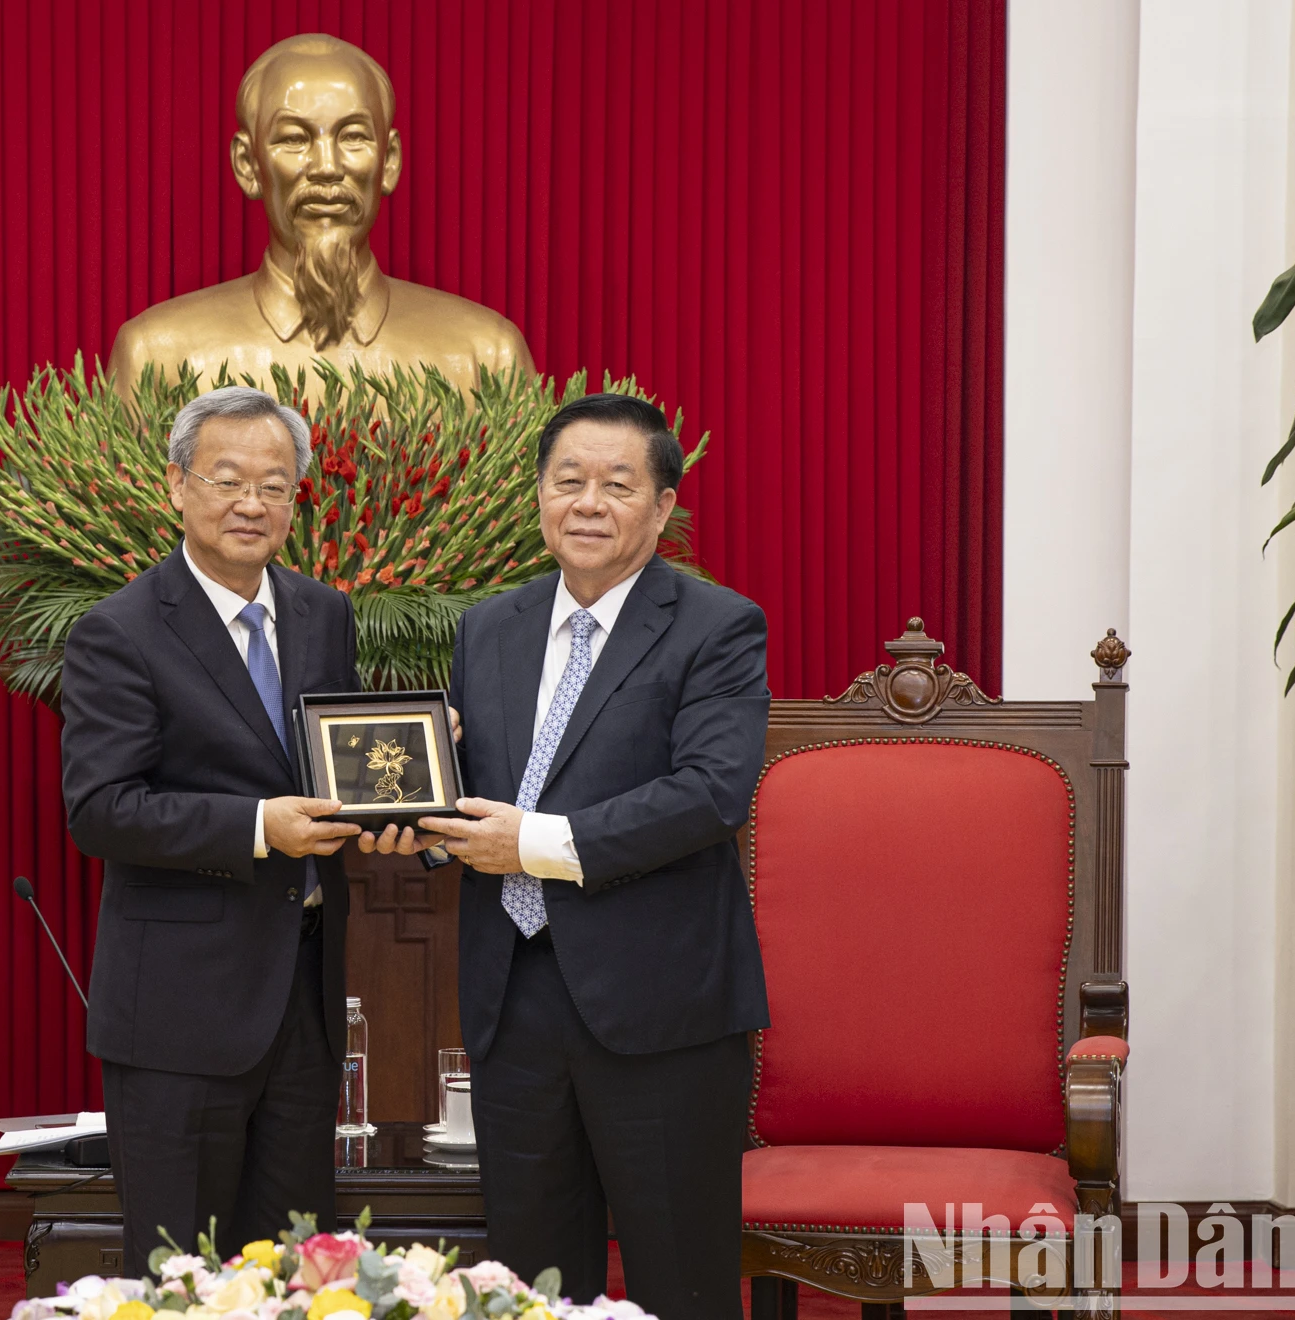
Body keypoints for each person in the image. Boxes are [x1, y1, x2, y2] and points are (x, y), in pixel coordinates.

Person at [415, 394, 771, 1319]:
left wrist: (526, 843)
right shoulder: (488, 626)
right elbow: (474, 793)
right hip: (513, 999)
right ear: (538, 496)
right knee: (529, 1289)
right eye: (567, 481)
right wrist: (418, 795)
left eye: (618, 485)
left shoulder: (716, 626)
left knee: (682, 1281)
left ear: (661, 509)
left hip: (661, 1010)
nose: (588, 502)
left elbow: (709, 793)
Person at [59, 385, 364, 1273]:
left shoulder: (322, 613)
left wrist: (400, 787)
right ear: (177, 488)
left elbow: (334, 764)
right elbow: (101, 809)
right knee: (179, 1267)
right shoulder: (118, 632)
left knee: (299, 1266)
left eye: (275, 485)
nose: (251, 503)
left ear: (297, 500)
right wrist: (260, 827)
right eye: (226, 479)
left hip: (303, 997)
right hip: (179, 1012)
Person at [107, 32, 533, 397]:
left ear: (389, 162)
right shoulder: (157, 358)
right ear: (248, 165)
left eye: (353, 136)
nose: (327, 167)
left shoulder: (487, 357)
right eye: (294, 139)